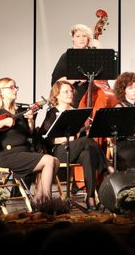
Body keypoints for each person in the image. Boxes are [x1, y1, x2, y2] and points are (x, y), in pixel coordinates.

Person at [0, 78, 59, 203]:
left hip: (25, 152)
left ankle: (38, 199)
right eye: (11, 87)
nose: (15, 90)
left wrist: (30, 120)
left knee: (55, 161)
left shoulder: (18, 111)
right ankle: (47, 200)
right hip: (7, 155)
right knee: (49, 160)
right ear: (1, 92)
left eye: (16, 87)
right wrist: (3, 122)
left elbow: (29, 133)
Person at [40, 80, 111, 210]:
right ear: (57, 95)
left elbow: (82, 138)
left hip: (75, 150)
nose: (70, 94)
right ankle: (107, 167)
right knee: (85, 142)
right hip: (58, 152)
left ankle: (90, 197)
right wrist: (66, 139)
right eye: (65, 91)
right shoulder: (52, 112)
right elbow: (45, 139)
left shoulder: (77, 112)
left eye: (71, 91)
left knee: (87, 154)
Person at [51, 24, 102, 107]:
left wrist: (100, 51)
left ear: (88, 38)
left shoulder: (93, 54)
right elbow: (56, 83)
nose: (81, 39)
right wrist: (76, 78)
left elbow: (103, 76)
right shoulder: (67, 56)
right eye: (78, 36)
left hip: (94, 97)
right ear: (73, 38)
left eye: (84, 36)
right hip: (75, 98)